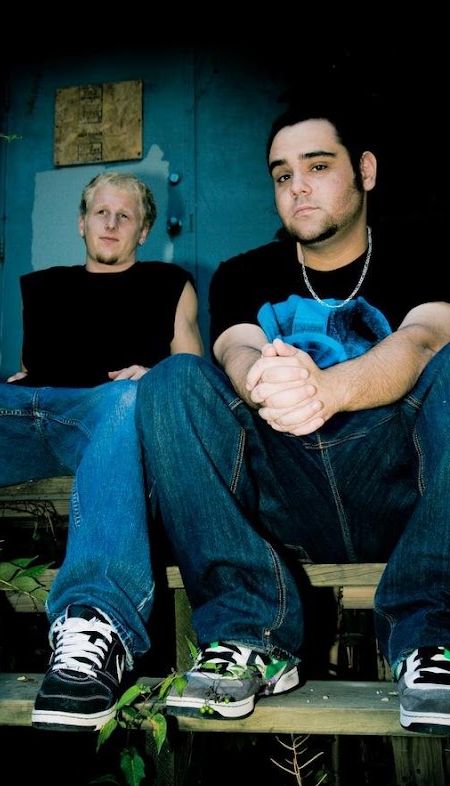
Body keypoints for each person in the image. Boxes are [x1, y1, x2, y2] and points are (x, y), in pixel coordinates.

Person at [135, 90, 450, 734]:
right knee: (172, 380)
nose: (298, 187)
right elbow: (237, 349)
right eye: (283, 175)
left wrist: (326, 389)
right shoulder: (243, 273)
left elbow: (422, 341)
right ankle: (249, 632)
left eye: (318, 166)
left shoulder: (427, 252)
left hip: (400, 485)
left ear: (365, 171)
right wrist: (266, 382)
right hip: (286, 491)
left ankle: (432, 636)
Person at [0, 171, 204, 732]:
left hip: (109, 414)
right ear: (81, 222)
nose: (111, 223)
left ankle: (96, 620)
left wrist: (156, 377)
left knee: (125, 398)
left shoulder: (170, 283)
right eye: (101, 212)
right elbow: (31, 370)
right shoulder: (44, 287)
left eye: (125, 215)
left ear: (144, 230)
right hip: (32, 413)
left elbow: (192, 378)